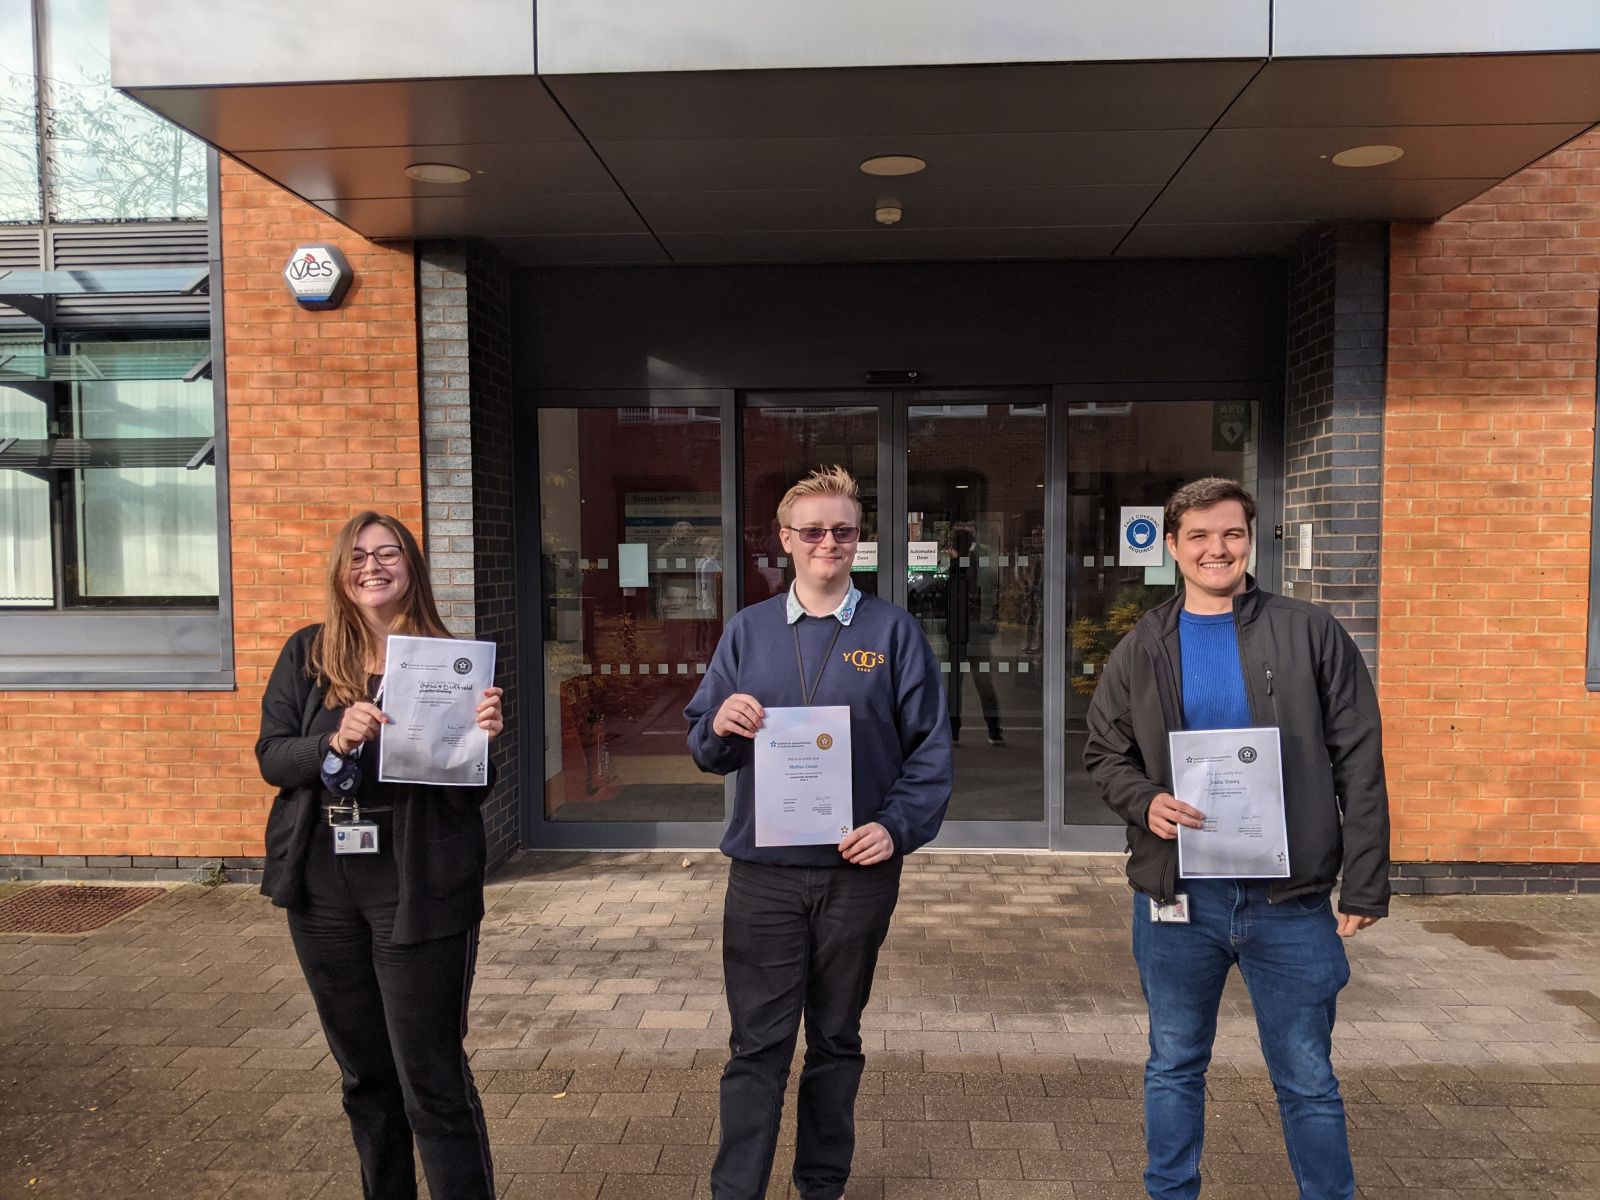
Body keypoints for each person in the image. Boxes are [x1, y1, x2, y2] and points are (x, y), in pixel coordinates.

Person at [1083, 478, 1389, 1200]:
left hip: (1291, 901)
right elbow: (1104, 752)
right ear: (1172, 546)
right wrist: (1146, 801)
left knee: (1308, 1077)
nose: (1216, 549)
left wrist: (1367, 876)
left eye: (1231, 534)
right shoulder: (1144, 644)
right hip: (1180, 899)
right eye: (1199, 536)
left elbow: (1360, 756)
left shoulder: (1309, 630)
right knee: (1174, 1063)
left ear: (1250, 539)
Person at [684, 465, 953, 1200]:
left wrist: (895, 829)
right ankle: (736, 1190)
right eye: (812, 531)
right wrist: (720, 724)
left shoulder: (892, 631)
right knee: (757, 1048)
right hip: (764, 876)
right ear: (784, 540)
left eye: (842, 530)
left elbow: (930, 751)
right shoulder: (748, 632)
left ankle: (821, 1187)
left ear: (858, 537)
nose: (827, 542)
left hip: (855, 875)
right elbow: (706, 750)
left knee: (836, 1041)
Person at [256, 511, 505, 1200]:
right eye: (358, 555)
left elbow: (470, 793)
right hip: (325, 888)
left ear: (411, 567)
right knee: (366, 1078)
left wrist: (483, 740)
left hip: (419, 884)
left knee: (432, 1079)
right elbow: (273, 758)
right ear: (342, 571)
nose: (373, 565)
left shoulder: (449, 660)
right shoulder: (308, 655)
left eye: (388, 553)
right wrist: (333, 741)